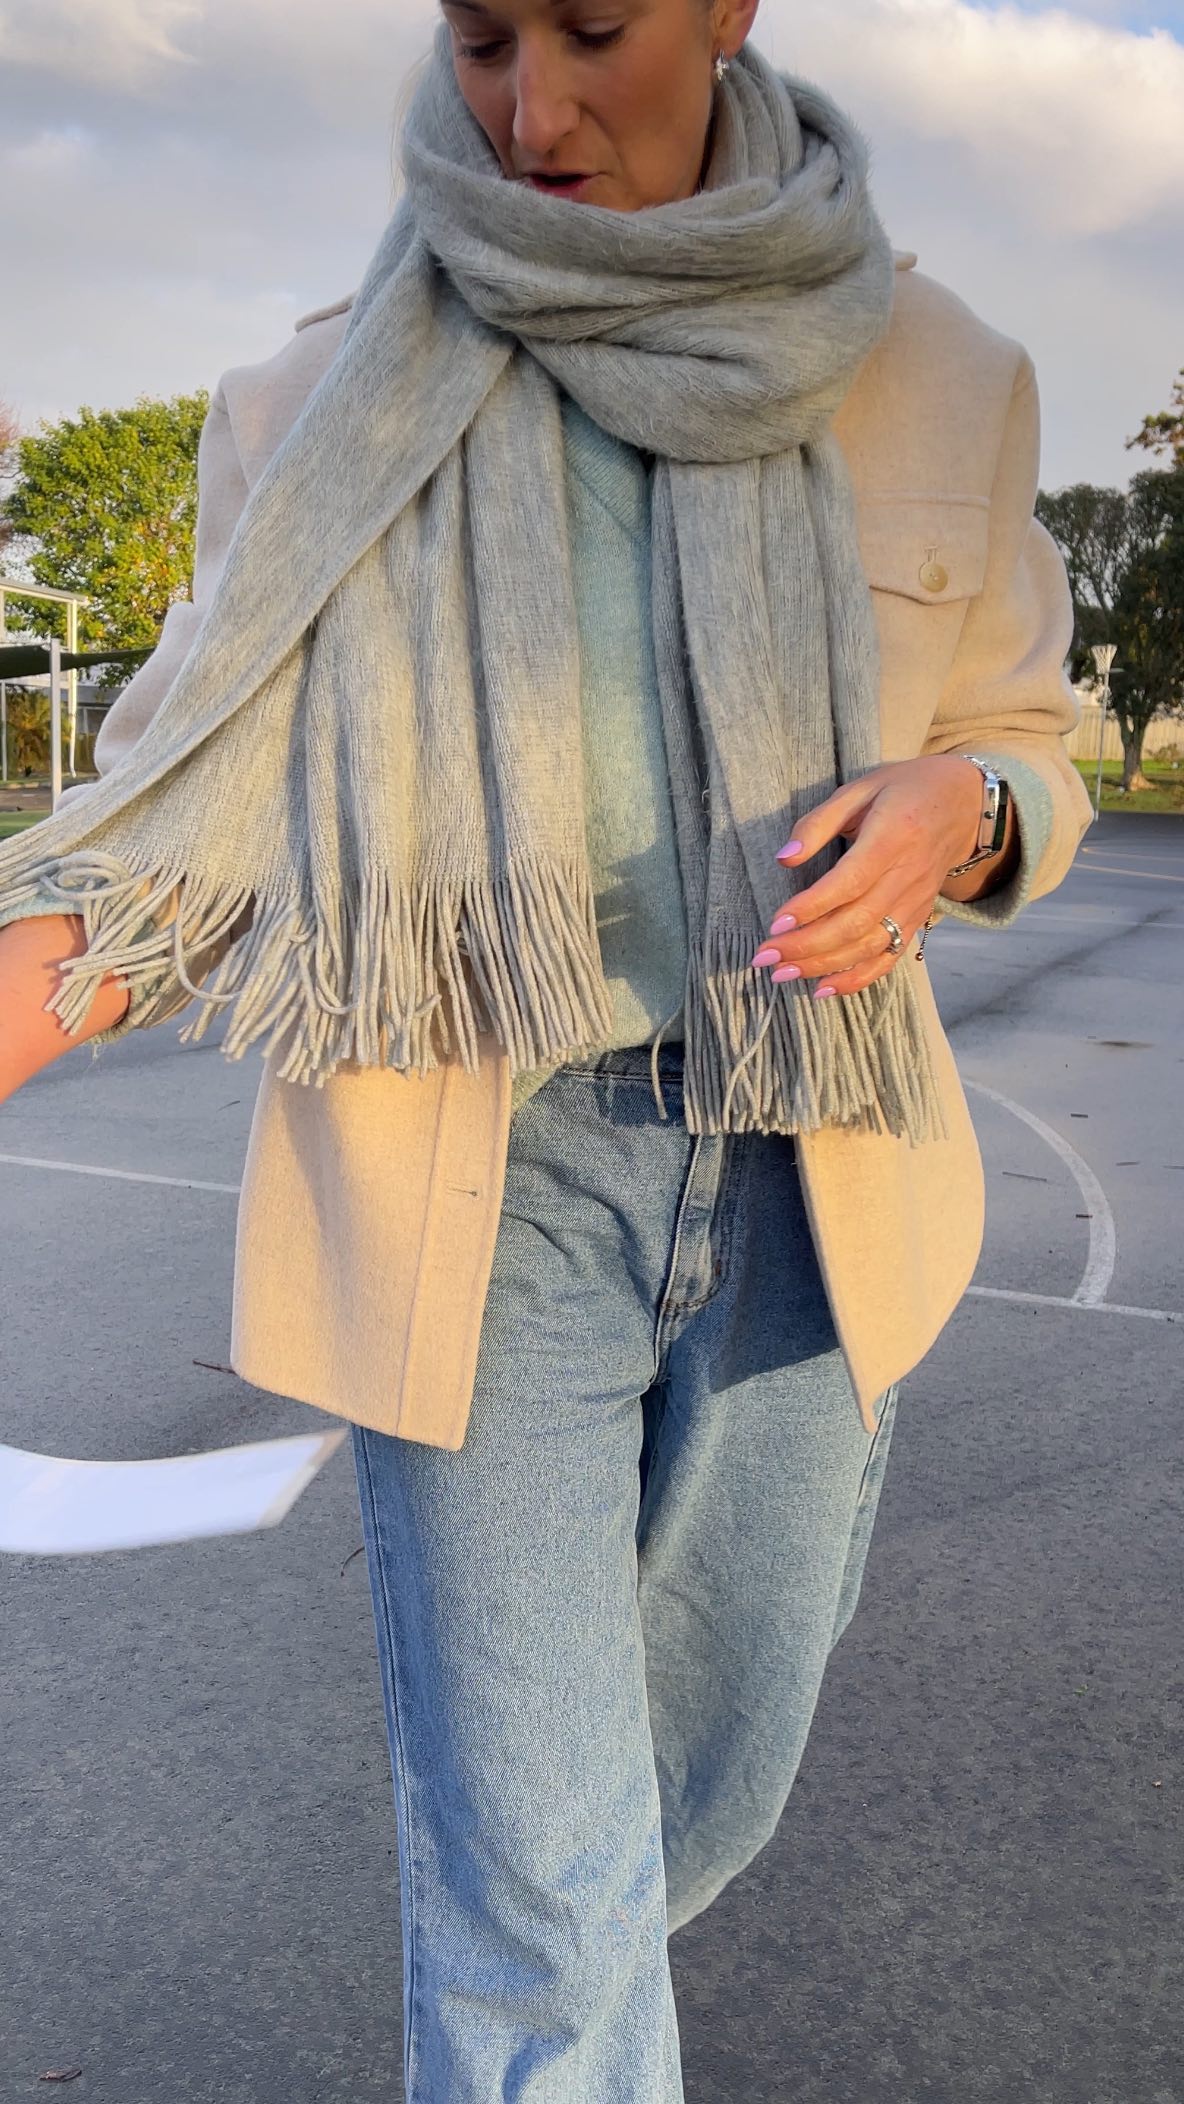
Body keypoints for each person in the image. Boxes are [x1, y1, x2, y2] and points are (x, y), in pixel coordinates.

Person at [0, 0, 1092, 2093]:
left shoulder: (937, 375)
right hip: (481, 1186)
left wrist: (963, 814)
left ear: (726, 10)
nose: (532, 106)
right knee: (539, 1900)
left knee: (681, 1805)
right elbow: (156, 842)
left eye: (594, 29)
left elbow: (1022, 746)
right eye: (483, 33)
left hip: (813, 1173)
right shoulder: (313, 405)